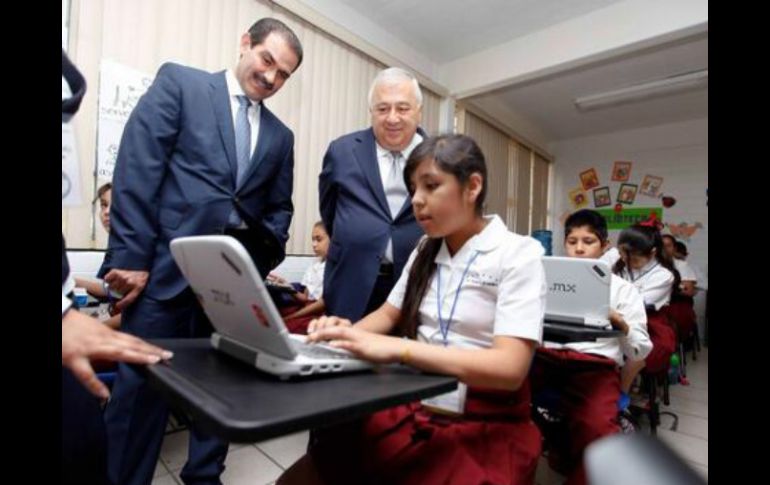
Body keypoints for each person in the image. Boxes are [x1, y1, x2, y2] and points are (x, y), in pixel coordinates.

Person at [101, 18, 303, 485]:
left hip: (227, 292)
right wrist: (131, 258)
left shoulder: (281, 137)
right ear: (245, 44)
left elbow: (278, 211)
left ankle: (204, 478)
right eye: (267, 60)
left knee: (219, 395)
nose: (271, 77)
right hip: (162, 278)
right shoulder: (182, 84)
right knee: (139, 400)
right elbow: (138, 166)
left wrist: (252, 267)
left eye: (283, 74)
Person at [279, 134, 547, 485]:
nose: (417, 201)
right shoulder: (426, 248)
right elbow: (388, 314)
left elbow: (510, 368)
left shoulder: (518, 254)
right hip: (416, 398)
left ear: (473, 186)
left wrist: (400, 349)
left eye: (431, 186)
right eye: (412, 189)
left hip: (484, 416)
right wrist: (342, 335)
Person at [62, 48, 172, 485]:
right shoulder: (118, 252)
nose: (110, 213)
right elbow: (109, 292)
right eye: (103, 206)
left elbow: (121, 304)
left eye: (116, 205)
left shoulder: (137, 254)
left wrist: (91, 328)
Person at [530, 209, 651, 485]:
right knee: (500, 405)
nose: (579, 249)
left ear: (604, 245)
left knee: (598, 430)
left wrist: (623, 326)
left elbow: (641, 350)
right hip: (544, 358)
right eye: (572, 242)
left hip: (593, 366)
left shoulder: (623, 291)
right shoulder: (542, 280)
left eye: (588, 241)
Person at [319, 67, 426, 322]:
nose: (392, 118)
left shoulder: (438, 157)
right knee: (341, 355)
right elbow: (330, 211)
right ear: (371, 112)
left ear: (418, 111)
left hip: (415, 287)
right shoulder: (342, 151)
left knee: (407, 359)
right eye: (382, 109)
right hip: (350, 284)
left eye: (402, 108)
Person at [75, 182, 122, 328]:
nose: (107, 212)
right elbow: (110, 289)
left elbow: (137, 311)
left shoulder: (136, 249)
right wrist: (71, 281)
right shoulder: (116, 244)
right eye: (104, 204)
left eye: (114, 205)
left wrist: (96, 328)